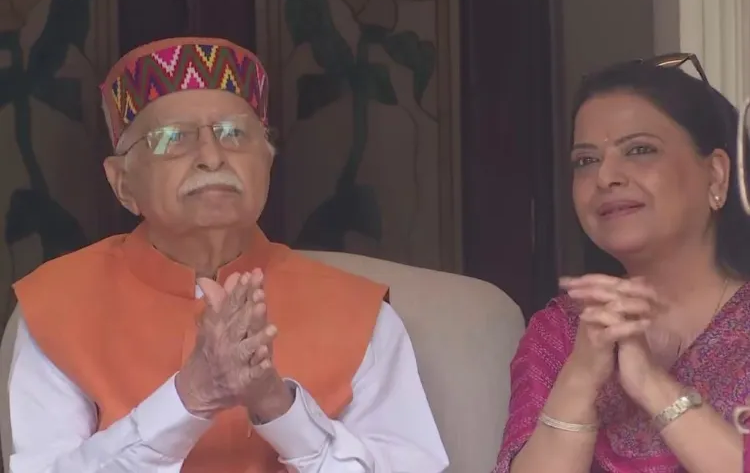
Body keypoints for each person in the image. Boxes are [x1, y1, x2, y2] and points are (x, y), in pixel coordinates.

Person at [7, 37, 449, 473]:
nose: (212, 156)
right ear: (122, 182)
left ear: (267, 164)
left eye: (235, 133)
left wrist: (281, 409)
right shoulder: (58, 306)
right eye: (173, 138)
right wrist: (189, 397)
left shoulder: (358, 313)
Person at [494, 60, 750, 472]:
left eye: (640, 150)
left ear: (717, 175)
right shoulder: (560, 332)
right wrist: (582, 375)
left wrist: (651, 384)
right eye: (585, 161)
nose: (605, 177)